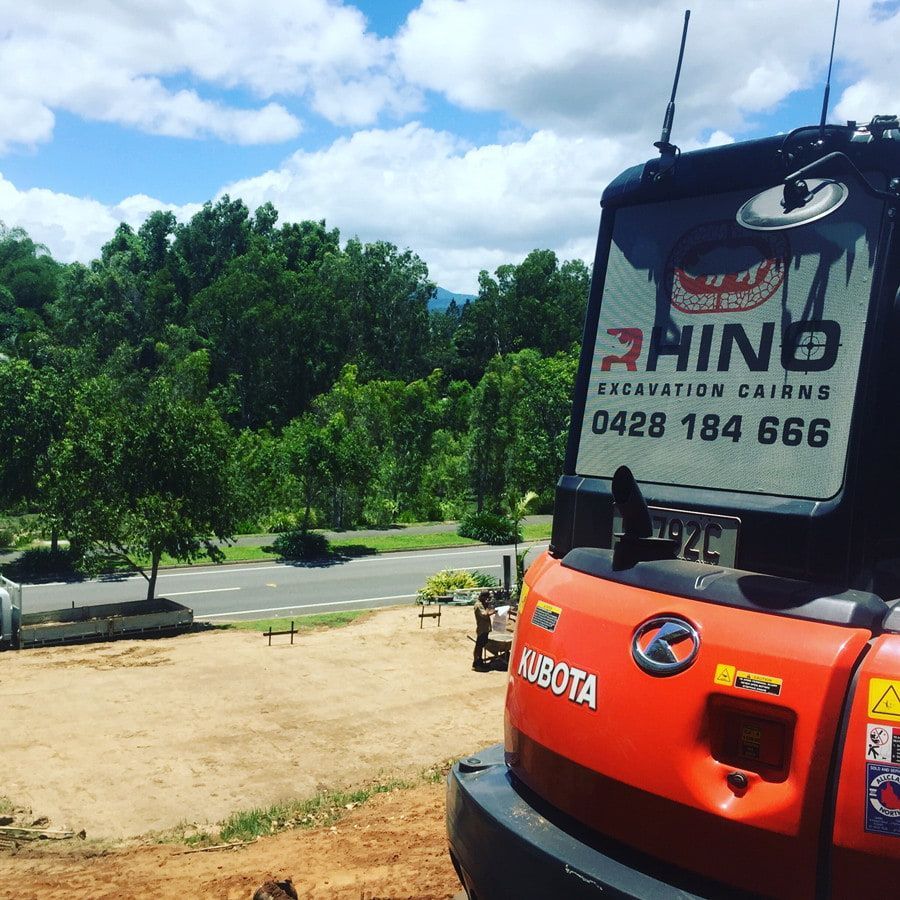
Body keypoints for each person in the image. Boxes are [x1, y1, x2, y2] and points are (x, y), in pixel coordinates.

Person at [473, 590, 493, 670]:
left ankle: (479, 661)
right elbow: (484, 615)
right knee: (478, 646)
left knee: (480, 646)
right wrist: (489, 608)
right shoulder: (478, 605)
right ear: (483, 597)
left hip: (484, 628)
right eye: (486, 598)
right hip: (482, 628)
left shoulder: (481, 604)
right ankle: (476, 663)